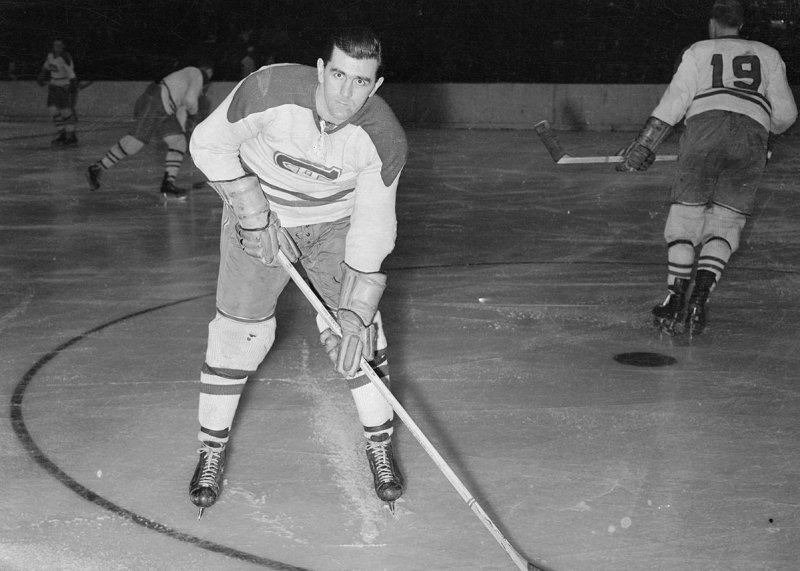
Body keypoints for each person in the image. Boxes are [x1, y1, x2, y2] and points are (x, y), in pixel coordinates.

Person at [187, 27, 407, 517]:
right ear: (320, 69)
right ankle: (210, 449)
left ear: (376, 85)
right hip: (261, 215)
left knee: (360, 336)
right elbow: (208, 144)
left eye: (360, 82)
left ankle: (379, 446)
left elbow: (373, 226)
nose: (345, 94)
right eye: (338, 76)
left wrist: (354, 310)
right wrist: (252, 211)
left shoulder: (383, 138)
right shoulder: (269, 90)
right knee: (236, 336)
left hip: (335, 226)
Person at [617, 0, 797, 337]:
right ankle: (700, 298)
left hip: (704, 130)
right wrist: (761, 136)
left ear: (713, 22)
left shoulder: (699, 50)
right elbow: (786, 115)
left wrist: (644, 145)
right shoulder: (768, 54)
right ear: (741, 24)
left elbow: (675, 101)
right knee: (726, 224)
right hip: (752, 137)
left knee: (685, 221)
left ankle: (674, 299)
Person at [85, 63, 214, 200]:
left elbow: (183, 107)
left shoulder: (186, 77)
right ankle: (97, 168)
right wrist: (193, 116)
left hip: (162, 106)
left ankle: (168, 183)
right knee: (135, 142)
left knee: (178, 141)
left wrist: (185, 132)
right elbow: (190, 100)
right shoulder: (197, 74)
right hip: (157, 102)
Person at [38, 39, 78, 147]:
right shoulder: (50, 56)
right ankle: (62, 133)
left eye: (59, 45)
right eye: (55, 45)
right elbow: (45, 67)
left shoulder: (65, 57)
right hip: (53, 85)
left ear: (63, 46)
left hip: (63, 86)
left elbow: (71, 73)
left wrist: (73, 86)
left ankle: (71, 136)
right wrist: (41, 76)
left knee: (65, 111)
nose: (57, 47)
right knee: (52, 109)